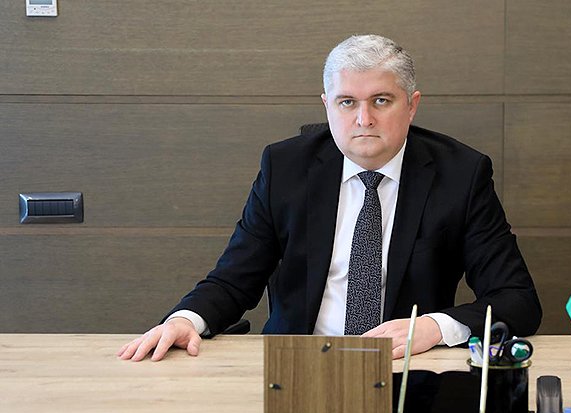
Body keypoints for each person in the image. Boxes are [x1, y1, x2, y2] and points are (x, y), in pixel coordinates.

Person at [118, 34, 541, 362]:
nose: (363, 119)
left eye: (381, 101)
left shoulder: (461, 175)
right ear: (327, 105)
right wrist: (187, 319)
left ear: (411, 106)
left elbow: (517, 299)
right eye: (347, 102)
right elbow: (234, 279)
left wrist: (433, 327)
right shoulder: (285, 168)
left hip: (407, 368)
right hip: (296, 367)